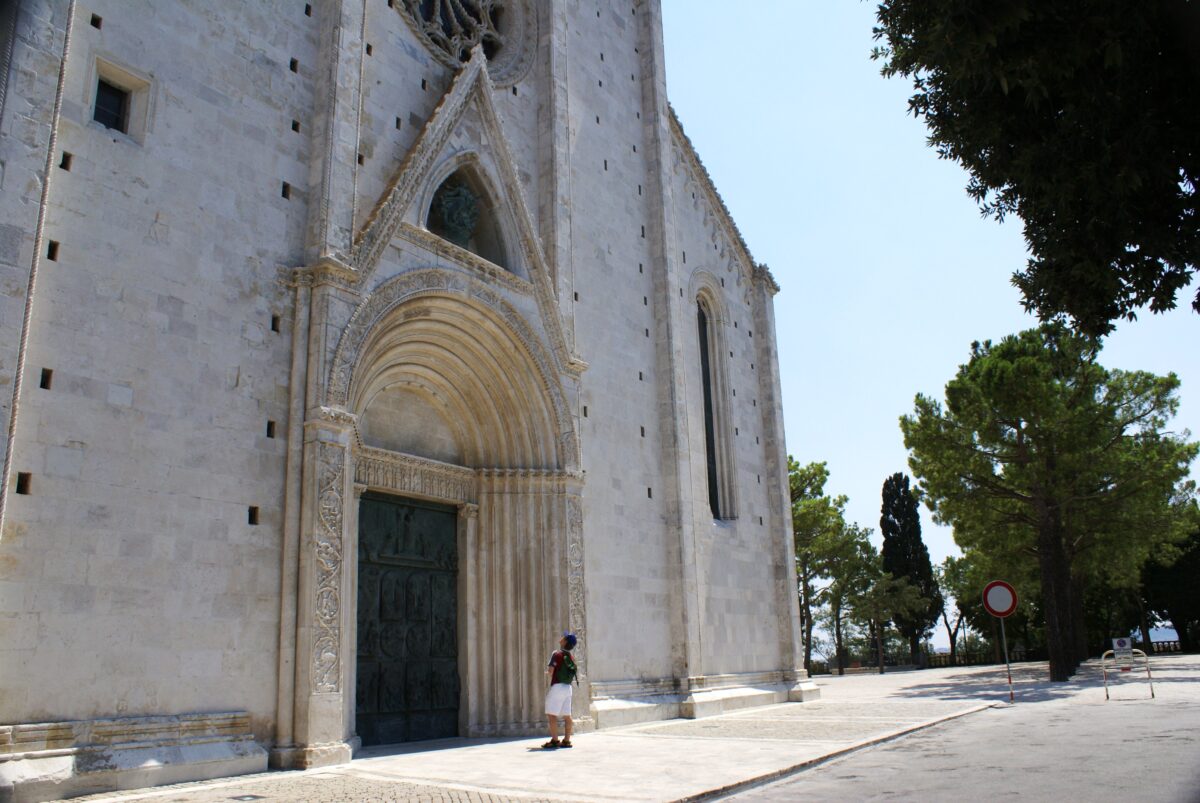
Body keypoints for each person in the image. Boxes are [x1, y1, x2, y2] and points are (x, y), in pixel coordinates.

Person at [542, 631, 578, 749]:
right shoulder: (571, 657)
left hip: (557, 687)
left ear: (565, 641)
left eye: (563, 637)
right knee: (567, 716)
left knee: (552, 715)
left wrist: (547, 673)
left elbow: (551, 671)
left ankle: (555, 740)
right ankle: (566, 740)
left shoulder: (556, 654)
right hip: (568, 688)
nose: (561, 638)